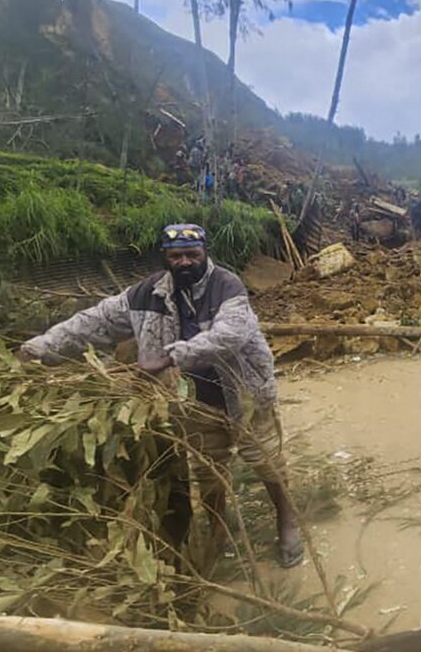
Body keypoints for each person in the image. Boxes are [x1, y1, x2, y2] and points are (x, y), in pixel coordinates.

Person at [17, 224, 304, 567]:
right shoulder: (144, 294)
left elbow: (231, 335)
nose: (184, 262)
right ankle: (218, 529)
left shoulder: (226, 286)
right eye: (176, 256)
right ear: (165, 258)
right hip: (191, 400)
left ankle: (286, 521)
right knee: (208, 469)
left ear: (205, 254)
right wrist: (40, 347)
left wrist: (170, 358)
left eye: (192, 255)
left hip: (244, 393)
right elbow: (93, 322)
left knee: (266, 460)